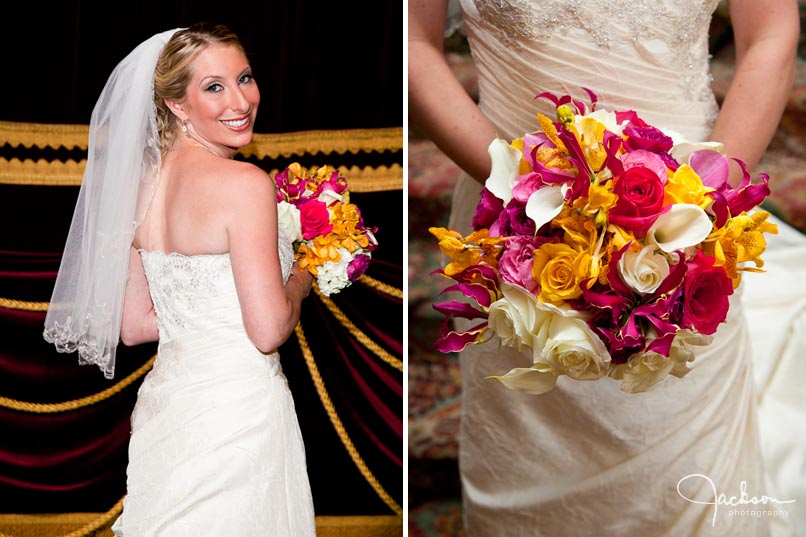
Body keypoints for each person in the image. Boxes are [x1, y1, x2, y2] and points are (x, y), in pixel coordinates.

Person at [409, 1, 804, 536]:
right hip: (512, 218)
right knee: (531, 463)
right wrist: (532, 195)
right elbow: (413, 41)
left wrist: (701, 204)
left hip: (688, 225)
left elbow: (771, 32)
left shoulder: (694, 216)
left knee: (682, 461)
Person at [43, 23, 316, 535]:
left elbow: (135, 325)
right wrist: (305, 274)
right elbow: (268, 330)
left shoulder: (138, 184)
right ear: (176, 105)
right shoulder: (245, 185)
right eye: (214, 87)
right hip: (240, 412)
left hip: (170, 409)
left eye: (245, 78)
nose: (240, 100)